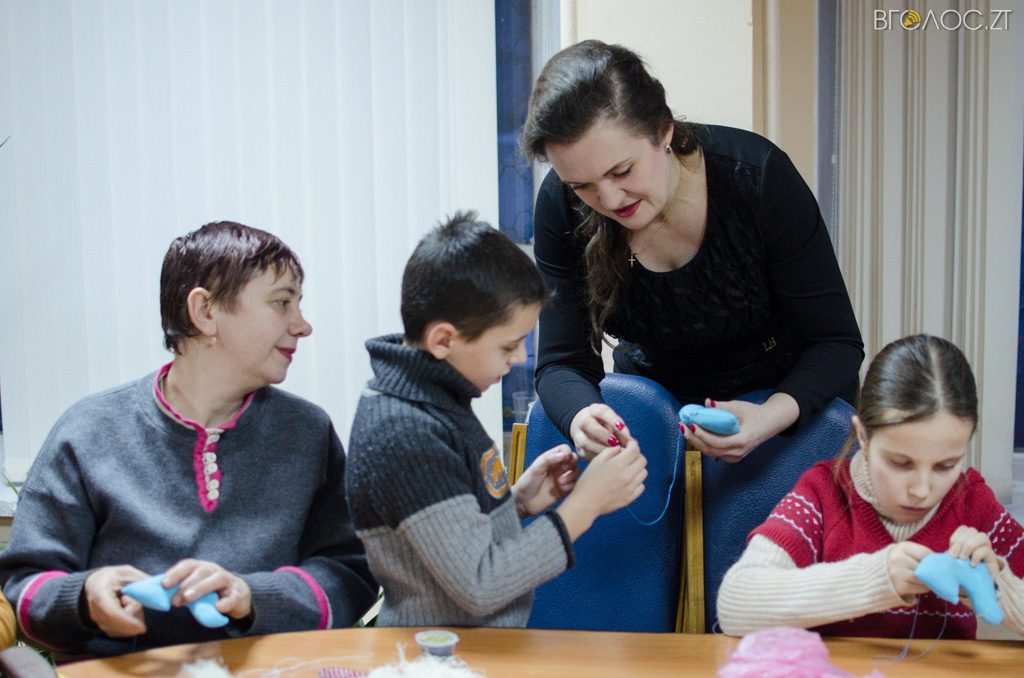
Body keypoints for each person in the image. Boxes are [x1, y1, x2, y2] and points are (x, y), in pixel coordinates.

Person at [0, 222, 377, 658]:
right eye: (282, 302)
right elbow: (25, 586)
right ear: (205, 311)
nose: (303, 325)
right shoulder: (87, 431)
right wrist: (85, 597)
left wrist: (253, 596)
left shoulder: (307, 432)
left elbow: (349, 575)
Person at [521, 40, 864, 463]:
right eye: (582, 185)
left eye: (622, 171)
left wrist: (770, 415)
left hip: (784, 406)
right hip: (655, 412)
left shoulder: (756, 179)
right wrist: (581, 415)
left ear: (663, 131)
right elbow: (561, 362)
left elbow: (835, 344)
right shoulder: (560, 204)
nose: (608, 199)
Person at [345, 211, 647, 627]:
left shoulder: (434, 402)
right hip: (436, 654)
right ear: (443, 340)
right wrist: (586, 505)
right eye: (508, 346)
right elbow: (480, 585)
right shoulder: (403, 429)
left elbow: (450, 544)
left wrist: (516, 504)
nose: (519, 358)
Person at [716, 334, 1024, 639]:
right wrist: (877, 578)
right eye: (900, 463)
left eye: (945, 466)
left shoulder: (972, 502)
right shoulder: (822, 495)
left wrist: (999, 586)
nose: (921, 490)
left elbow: (1003, 587)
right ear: (863, 437)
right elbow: (735, 605)